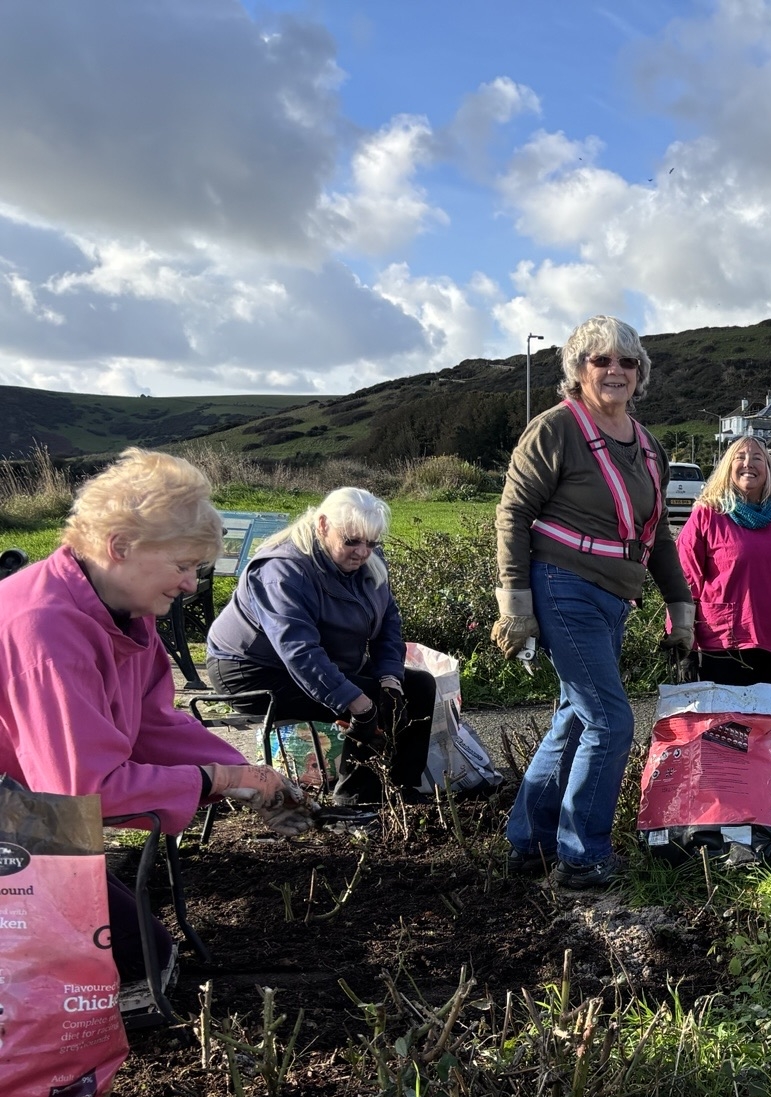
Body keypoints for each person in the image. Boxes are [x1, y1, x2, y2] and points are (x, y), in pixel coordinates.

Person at [0, 449, 307, 987]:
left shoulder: (124, 615)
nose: (191, 584)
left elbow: (152, 725)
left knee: (145, 959)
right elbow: (82, 794)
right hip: (25, 817)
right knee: (135, 966)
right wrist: (221, 779)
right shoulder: (44, 631)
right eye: (183, 565)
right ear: (120, 547)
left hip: (26, 811)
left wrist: (253, 779)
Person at [492, 315, 696, 889]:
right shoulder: (554, 429)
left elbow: (654, 534)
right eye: (600, 360)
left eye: (626, 362)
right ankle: (582, 857)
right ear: (578, 370)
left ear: (640, 373)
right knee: (610, 721)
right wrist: (516, 604)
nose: (614, 371)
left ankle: (528, 843)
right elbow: (513, 514)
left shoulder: (649, 445)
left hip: (613, 598)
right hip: (562, 585)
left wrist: (680, 609)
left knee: (576, 721)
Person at [205, 487, 435, 804]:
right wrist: (357, 702)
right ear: (324, 525)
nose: (363, 552)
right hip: (253, 669)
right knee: (366, 703)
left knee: (418, 687)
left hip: (325, 655)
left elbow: (389, 622)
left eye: (372, 543)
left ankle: (400, 789)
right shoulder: (282, 569)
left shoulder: (367, 560)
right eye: (352, 541)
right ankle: (357, 801)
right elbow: (298, 651)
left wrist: (390, 679)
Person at [676, 437, 771, 686]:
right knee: (726, 725)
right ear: (728, 467)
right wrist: (684, 643)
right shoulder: (707, 516)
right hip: (723, 645)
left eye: (757, 458)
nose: (748, 463)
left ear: (769, 470)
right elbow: (684, 585)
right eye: (740, 457)